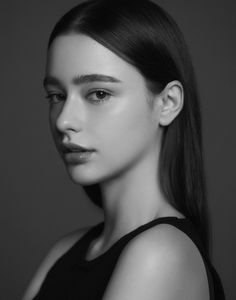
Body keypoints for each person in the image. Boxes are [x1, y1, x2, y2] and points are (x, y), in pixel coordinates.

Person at [22, 0, 225, 299]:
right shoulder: (64, 252)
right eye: (56, 95)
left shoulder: (160, 254)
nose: (64, 120)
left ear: (167, 103)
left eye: (99, 93)